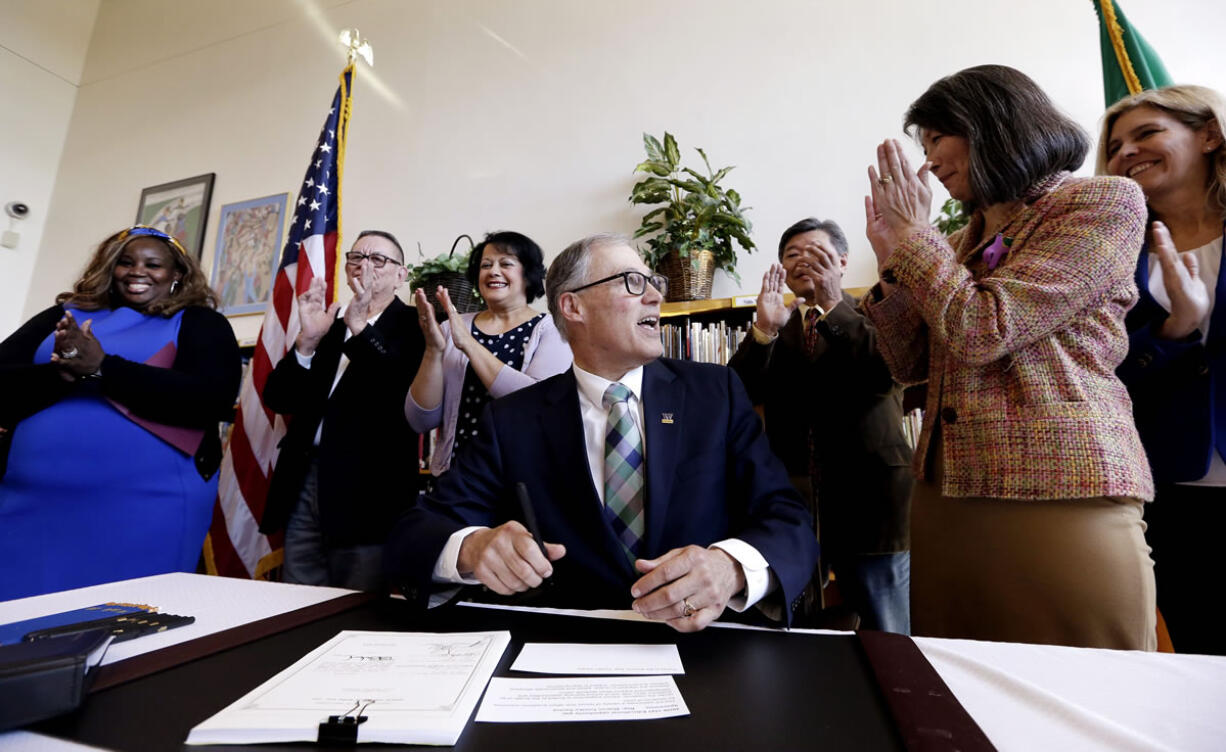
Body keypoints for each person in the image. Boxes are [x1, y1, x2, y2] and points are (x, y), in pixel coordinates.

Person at [860, 65, 1156, 650]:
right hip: (946, 497)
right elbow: (910, 362)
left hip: (1063, 492)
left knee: (1092, 698)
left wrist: (915, 241)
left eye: (938, 140)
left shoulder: (1101, 202)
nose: (929, 163)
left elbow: (982, 329)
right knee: (961, 701)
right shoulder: (958, 241)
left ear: (992, 123)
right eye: (922, 147)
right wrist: (892, 258)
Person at [386, 234, 819, 631]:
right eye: (633, 282)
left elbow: (788, 518)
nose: (654, 296)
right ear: (573, 307)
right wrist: (473, 549)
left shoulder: (715, 393)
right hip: (563, 657)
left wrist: (731, 568)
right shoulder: (513, 419)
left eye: (654, 282)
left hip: (703, 651)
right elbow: (416, 532)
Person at [0, 225, 240, 600]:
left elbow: (209, 399)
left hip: (146, 507)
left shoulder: (199, 323)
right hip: (31, 502)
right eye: (125, 263)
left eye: (153, 264)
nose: (136, 272)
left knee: (125, 622)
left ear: (178, 274)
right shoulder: (61, 315)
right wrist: (62, 373)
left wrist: (102, 368)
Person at [728, 217, 912, 633]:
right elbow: (733, 394)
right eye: (791, 255)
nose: (802, 261)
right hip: (795, 503)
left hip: (870, 500)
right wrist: (763, 332)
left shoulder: (878, 313)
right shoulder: (777, 326)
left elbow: (882, 371)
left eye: (816, 252)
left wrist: (832, 304)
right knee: (800, 627)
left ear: (843, 261)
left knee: (887, 630)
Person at [1100, 85, 1226, 655]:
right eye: (1115, 145)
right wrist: (1177, 329)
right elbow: (1104, 379)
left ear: (1209, 134)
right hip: (1171, 490)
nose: (1126, 151)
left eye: (1146, 133)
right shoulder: (1110, 256)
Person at [260, 230, 425, 591]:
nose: (365, 265)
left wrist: (361, 328)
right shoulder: (328, 325)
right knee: (297, 595)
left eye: (378, 259)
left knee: (357, 600)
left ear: (402, 275)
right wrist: (306, 342)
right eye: (357, 257)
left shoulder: (416, 325)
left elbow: (398, 391)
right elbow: (279, 399)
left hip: (368, 485)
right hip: (307, 476)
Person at [406, 231, 572, 476]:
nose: (493, 271)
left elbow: (538, 407)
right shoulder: (450, 327)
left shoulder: (552, 329)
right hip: (455, 476)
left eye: (505, 264)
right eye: (486, 265)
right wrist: (433, 349)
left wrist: (469, 344)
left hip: (519, 478)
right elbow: (420, 421)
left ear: (528, 274)